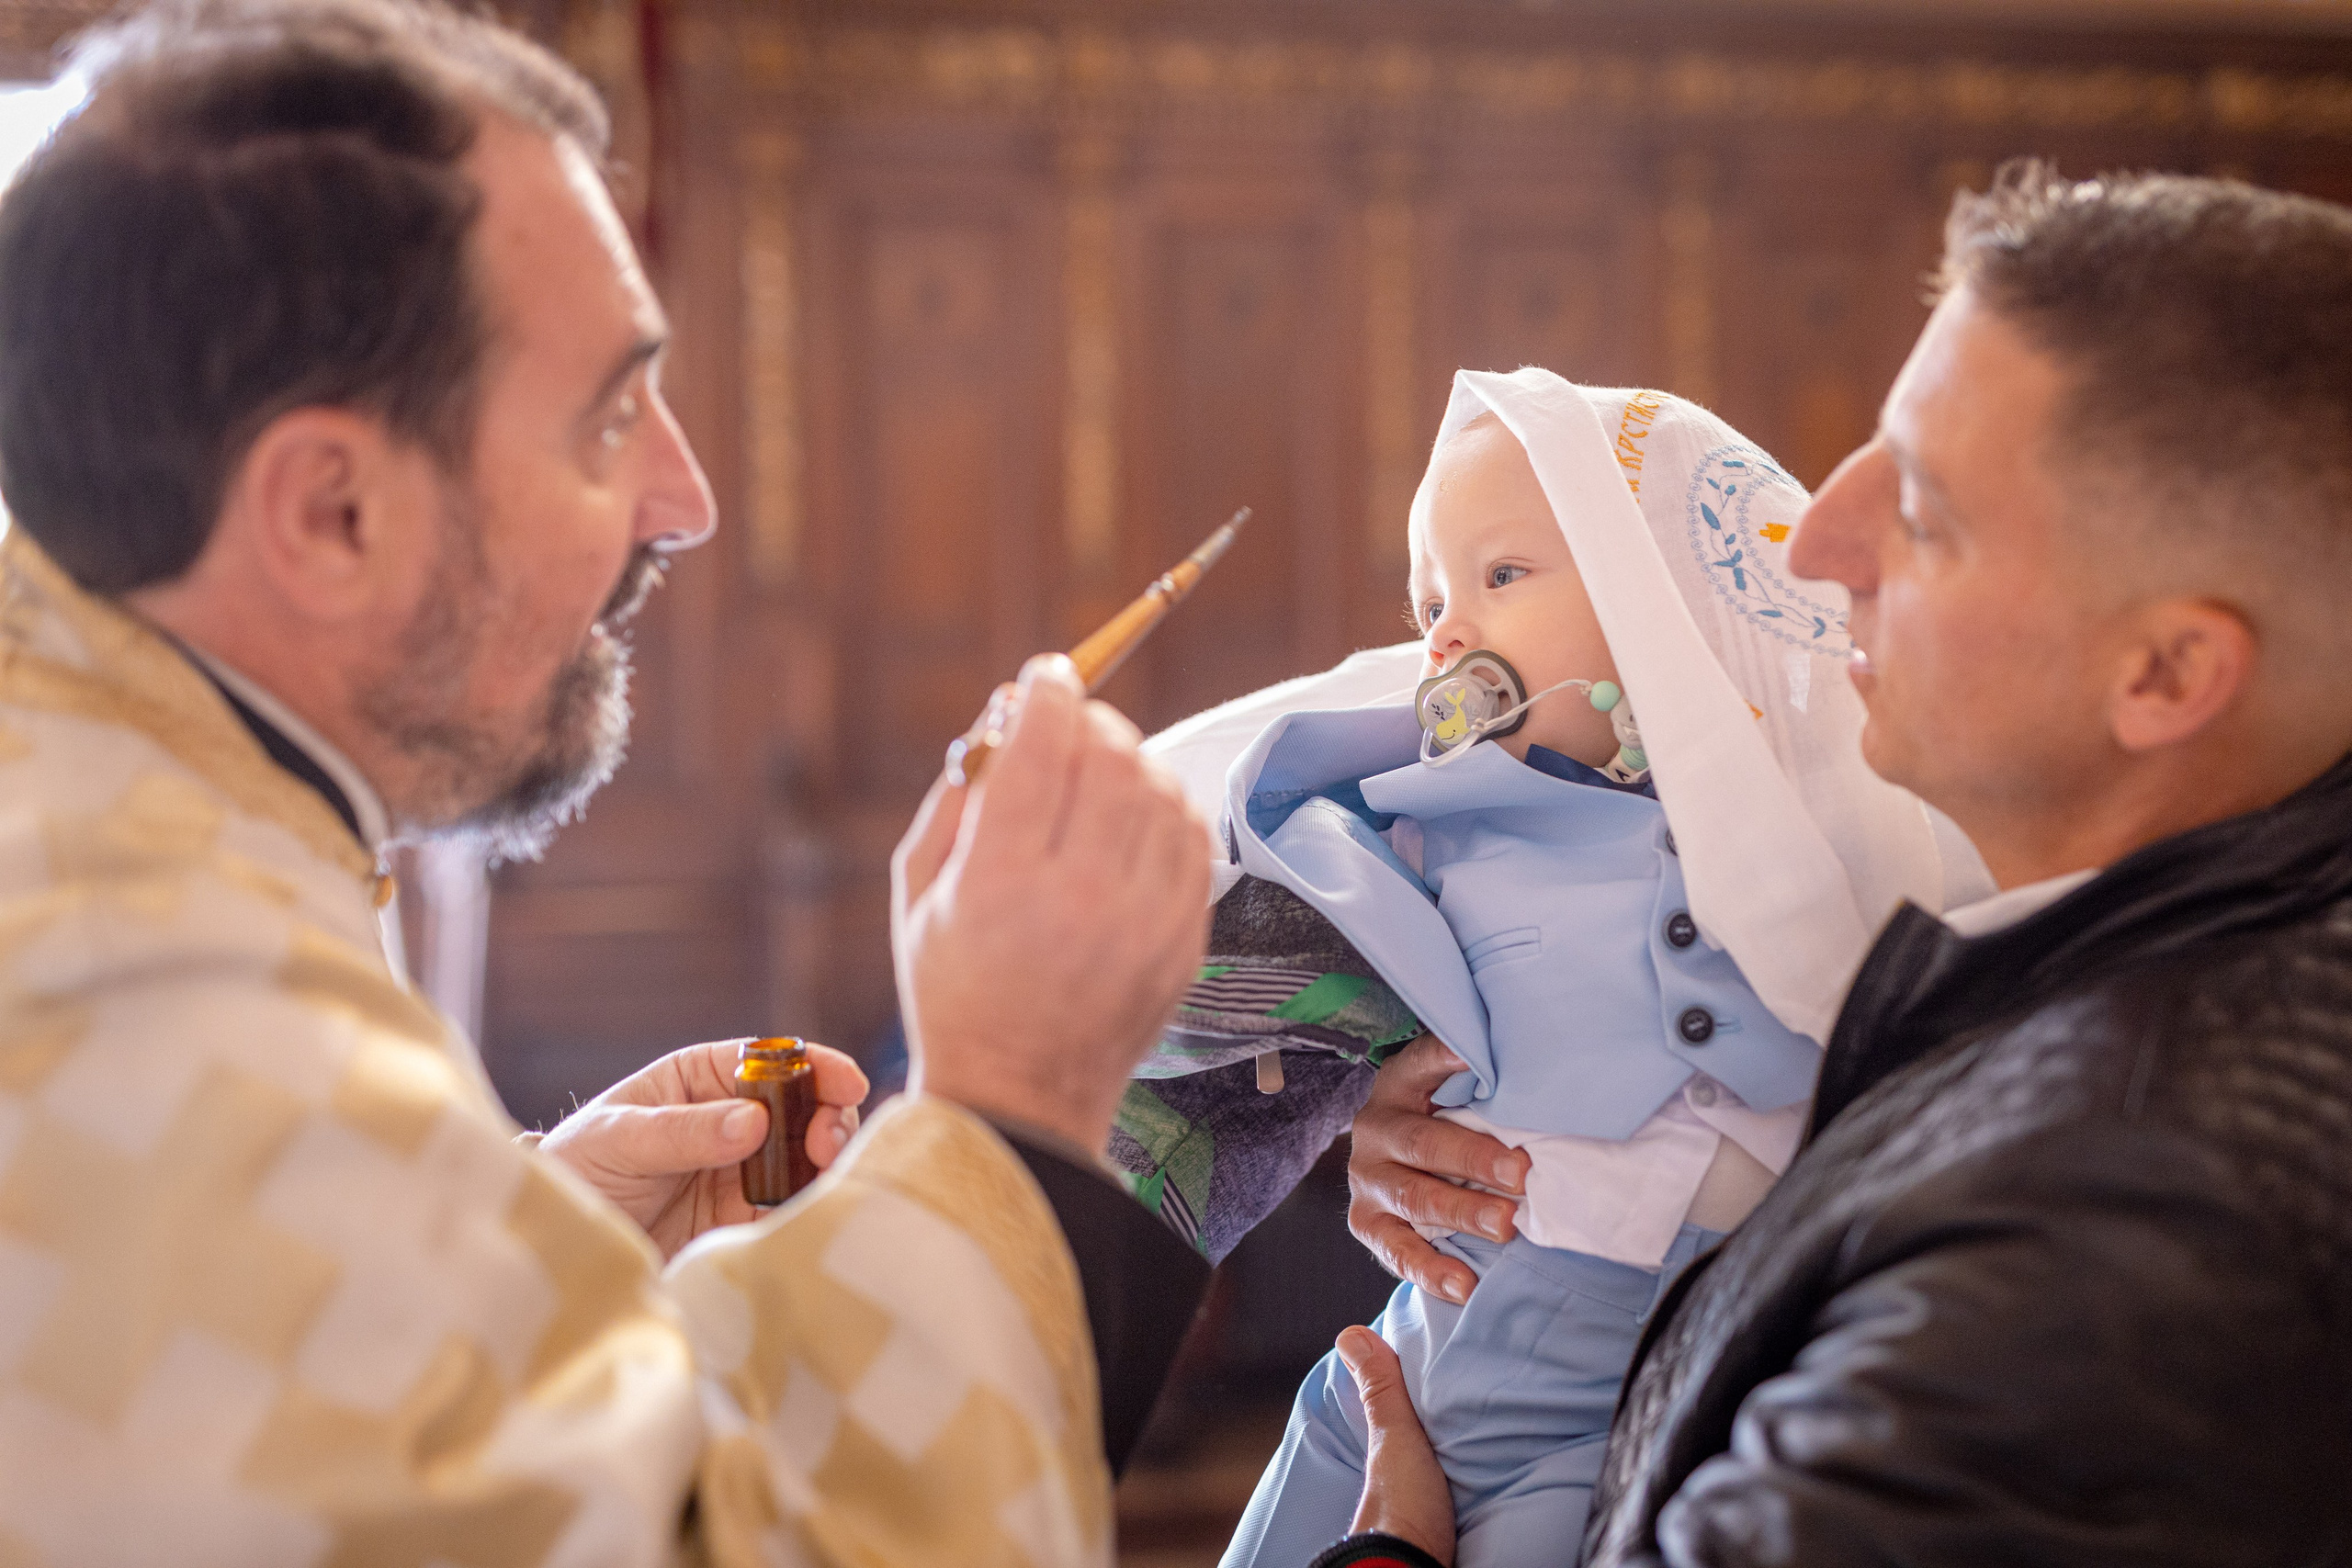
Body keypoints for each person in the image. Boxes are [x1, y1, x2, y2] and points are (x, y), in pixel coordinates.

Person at [0, 2, 1214, 1562]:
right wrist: (1010, 1113)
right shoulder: (147, 994)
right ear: (329, 513)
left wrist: (515, 1236)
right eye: (609, 415)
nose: (686, 500)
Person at [1330, 162, 2352, 1567]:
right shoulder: (2106, 951)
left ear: (2168, 670)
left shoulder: (2110, 1226)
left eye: (1924, 508)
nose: (1816, 540)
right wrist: (1479, 1152)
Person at [1122, 373, 1966, 1566]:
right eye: (1427, 603)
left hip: (1594, 1420)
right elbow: (1241, 964)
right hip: (1406, 1357)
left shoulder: (1819, 817)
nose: (1448, 629)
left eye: (1500, 576)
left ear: (1658, 589)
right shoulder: (1417, 825)